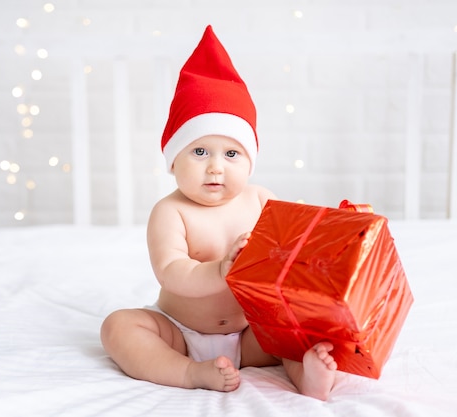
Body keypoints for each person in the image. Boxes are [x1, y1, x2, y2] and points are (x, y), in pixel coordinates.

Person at [100, 25, 338, 401]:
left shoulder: (261, 201)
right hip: (180, 331)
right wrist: (220, 271)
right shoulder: (170, 211)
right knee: (118, 327)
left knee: (297, 328)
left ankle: (307, 376)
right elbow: (172, 272)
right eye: (199, 152)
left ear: (250, 161)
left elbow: (288, 262)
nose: (215, 168)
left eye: (231, 154)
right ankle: (189, 372)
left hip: (250, 334)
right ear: (172, 161)